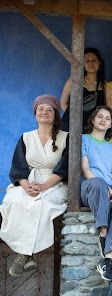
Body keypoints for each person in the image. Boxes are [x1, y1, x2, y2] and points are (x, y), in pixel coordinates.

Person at [0, 95, 69, 277]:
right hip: (28, 182)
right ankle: (28, 254)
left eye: (49, 110)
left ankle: (23, 255)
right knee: (15, 201)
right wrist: (25, 185)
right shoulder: (26, 138)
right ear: (35, 113)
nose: (44, 113)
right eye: (41, 109)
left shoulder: (65, 138)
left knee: (42, 204)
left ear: (55, 114)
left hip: (55, 183)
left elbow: (65, 168)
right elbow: (17, 167)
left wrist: (44, 186)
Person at [80, 105, 112, 282]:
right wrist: (105, 186)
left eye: (108, 118)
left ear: (111, 124)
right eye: (99, 116)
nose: (103, 120)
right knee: (98, 183)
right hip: (91, 187)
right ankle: (103, 234)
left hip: (111, 188)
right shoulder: (83, 139)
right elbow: (85, 169)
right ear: (93, 120)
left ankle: (108, 260)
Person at [60, 47, 106, 133]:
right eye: (87, 61)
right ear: (83, 64)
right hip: (71, 126)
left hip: (93, 128)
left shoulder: (104, 85)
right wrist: (75, 117)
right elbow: (63, 103)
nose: (91, 63)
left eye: (94, 60)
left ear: (99, 62)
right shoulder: (73, 81)